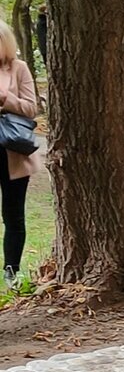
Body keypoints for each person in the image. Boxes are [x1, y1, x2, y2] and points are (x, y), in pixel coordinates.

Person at [0, 20, 40, 282]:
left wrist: (5, 99)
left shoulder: (19, 68)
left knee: (13, 215)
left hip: (11, 152)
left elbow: (31, 108)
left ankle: (11, 271)